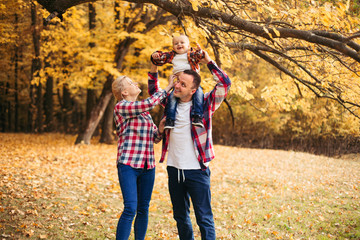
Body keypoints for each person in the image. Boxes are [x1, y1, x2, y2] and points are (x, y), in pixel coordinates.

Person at [148, 49, 231, 240]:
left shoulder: (205, 104)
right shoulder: (169, 102)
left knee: (204, 218)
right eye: (177, 81)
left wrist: (208, 60)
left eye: (182, 84)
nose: (177, 86)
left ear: (193, 90)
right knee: (180, 217)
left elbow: (225, 83)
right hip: (174, 169)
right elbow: (154, 91)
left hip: (197, 170)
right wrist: (154, 64)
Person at [112, 64, 174, 240]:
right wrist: (167, 87)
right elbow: (149, 103)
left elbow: (154, 138)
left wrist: (160, 130)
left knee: (143, 208)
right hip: (129, 165)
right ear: (124, 92)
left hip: (148, 166)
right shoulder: (122, 107)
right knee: (130, 208)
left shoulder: (144, 114)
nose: (136, 83)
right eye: (131, 83)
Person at [151, 34, 205, 129]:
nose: (179, 44)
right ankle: (170, 120)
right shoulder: (172, 56)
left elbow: (199, 56)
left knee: (199, 94)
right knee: (172, 98)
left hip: (192, 82)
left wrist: (200, 51)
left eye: (182, 42)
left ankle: (197, 116)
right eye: (176, 43)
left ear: (188, 46)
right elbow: (161, 57)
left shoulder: (191, 54)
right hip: (179, 82)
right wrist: (155, 55)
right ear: (173, 47)